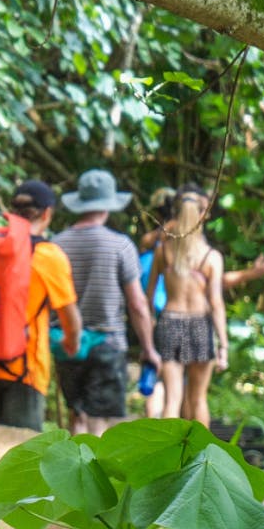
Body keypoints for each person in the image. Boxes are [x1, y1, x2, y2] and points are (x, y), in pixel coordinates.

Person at [0, 180, 83, 431]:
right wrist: (72, 341)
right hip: (25, 368)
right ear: (47, 213)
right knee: (22, 452)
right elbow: (70, 318)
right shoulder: (49, 255)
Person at [51, 169, 161, 436]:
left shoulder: (57, 244)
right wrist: (148, 348)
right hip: (108, 342)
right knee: (98, 423)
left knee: (76, 416)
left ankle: (72, 472)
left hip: (66, 341)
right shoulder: (120, 245)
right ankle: (91, 473)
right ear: (109, 205)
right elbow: (137, 304)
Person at [147, 187, 228, 425]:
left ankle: (169, 456)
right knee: (198, 399)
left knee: (173, 399)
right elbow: (216, 303)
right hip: (200, 324)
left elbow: (149, 294)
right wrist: (223, 343)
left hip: (170, 321)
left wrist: (151, 322)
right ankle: (200, 457)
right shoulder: (211, 256)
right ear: (201, 216)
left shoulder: (163, 251)